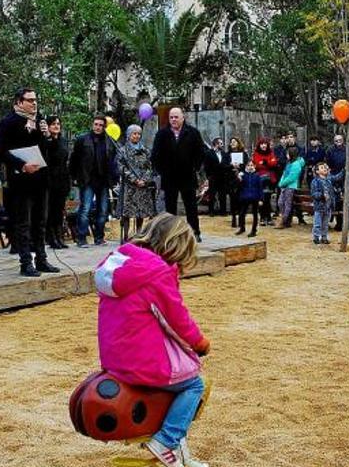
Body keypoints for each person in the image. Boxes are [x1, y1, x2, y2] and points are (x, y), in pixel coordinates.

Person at [94, 213, 211, 467]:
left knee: (174, 395)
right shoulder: (156, 271)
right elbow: (177, 318)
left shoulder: (122, 261)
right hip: (141, 362)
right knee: (193, 386)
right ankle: (166, 441)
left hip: (115, 360)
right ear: (175, 247)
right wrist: (200, 343)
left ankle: (179, 455)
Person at [0, 87, 60, 277]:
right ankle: (26, 262)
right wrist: (22, 165)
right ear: (19, 102)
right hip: (21, 180)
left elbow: (50, 150)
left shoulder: (40, 120)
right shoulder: (8, 122)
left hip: (40, 179)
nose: (34, 103)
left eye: (35, 100)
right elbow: (0, 151)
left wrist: (48, 136)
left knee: (40, 221)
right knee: (24, 222)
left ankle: (41, 259)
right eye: (30, 100)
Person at [151, 108, 207, 242]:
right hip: (169, 176)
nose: (174, 120)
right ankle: (171, 235)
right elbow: (156, 155)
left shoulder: (192, 133)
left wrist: (195, 167)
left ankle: (195, 232)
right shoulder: (162, 134)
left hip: (187, 175)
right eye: (171, 117)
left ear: (183, 118)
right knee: (170, 207)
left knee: (191, 206)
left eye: (176, 117)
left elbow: (200, 152)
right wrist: (161, 170)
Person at [70, 115, 118, 247]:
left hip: (103, 180)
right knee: (85, 208)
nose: (98, 127)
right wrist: (74, 177)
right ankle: (81, 238)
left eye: (101, 125)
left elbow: (113, 162)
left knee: (103, 210)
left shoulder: (110, 142)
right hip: (87, 179)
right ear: (92, 125)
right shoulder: (82, 140)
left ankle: (99, 237)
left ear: (104, 127)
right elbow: (74, 159)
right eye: (96, 124)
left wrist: (114, 179)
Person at [117, 124, 157, 243]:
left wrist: (144, 179)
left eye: (139, 134)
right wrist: (134, 179)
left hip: (142, 186)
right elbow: (121, 167)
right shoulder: (123, 151)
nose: (137, 136)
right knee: (127, 213)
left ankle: (139, 235)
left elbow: (150, 167)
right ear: (129, 135)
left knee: (140, 212)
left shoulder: (145, 150)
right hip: (129, 187)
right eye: (134, 133)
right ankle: (125, 236)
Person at [44, 116, 71, 249]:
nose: (56, 126)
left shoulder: (63, 141)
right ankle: (51, 237)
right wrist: (50, 138)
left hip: (62, 178)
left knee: (59, 211)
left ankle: (60, 237)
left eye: (58, 124)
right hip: (49, 179)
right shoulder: (46, 141)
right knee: (50, 210)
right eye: (53, 124)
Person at [251, 136, 279, 226]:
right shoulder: (256, 153)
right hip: (260, 179)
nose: (264, 146)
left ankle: (268, 217)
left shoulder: (271, 153)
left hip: (269, 179)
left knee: (268, 198)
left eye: (265, 144)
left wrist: (265, 163)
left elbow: (274, 163)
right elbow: (257, 164)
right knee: (261, 199)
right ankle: (262, 217)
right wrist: (267, 163)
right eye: (262, 144)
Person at [275, 147, 304, 229]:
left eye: (287, 153)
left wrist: (283, 183)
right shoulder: (289, 163)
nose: (286, 155)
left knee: (287, 204)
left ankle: (284, 221)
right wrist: (281, 182)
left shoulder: (296, 164)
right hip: (284, 186)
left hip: (291, 186)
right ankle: (282, 217)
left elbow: (292, 177)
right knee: (280, 202)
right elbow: (284, 174)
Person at [235, 160, 265, 237]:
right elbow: (239, 186)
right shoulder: (243, 175)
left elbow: (260, 188)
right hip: (245, 197)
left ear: (254, 166)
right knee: (242, 214)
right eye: (248, 165)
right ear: (246, 167)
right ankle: (242, 228)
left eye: (251, 165)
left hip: (255, 197)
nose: (250, 167)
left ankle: (254, 230)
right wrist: (239, 179)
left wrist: (261, 199)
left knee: (255, 214)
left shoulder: (257, 176)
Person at [203, 137, 230, 216]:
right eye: (221, 143)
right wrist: (209, 176)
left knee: (222, 195)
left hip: (222, 177)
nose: (222, 145)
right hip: (213, 177)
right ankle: (211, 211)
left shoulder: (224, 154)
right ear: (216, 144)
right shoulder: (209, 153)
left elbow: (227, 164)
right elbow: (206, 166)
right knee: (212, 195)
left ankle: (223, 211)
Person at [310, 162, 335, 244]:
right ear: (317, 171)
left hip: (328, 206)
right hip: (319, 206)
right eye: (322, 167)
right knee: (318, 223)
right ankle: (316, 237)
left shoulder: (329, 180)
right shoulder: (315, 181)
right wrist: (322, 195)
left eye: (325, 167)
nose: (324, 168)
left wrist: (344, 170)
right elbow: (314, 194)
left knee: (325, 224)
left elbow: (337, 178)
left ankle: (324, 237)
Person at [226, 137, 248, 228]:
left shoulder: (244, 154)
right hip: (231, 178)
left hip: (241, 178)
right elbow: (224, 165)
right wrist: (231, 165)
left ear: (238, 143)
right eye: (231, 142)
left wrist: (240, 166)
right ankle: (233, 217)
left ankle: (240, 217)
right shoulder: (227, 154)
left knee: (240, 198)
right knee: (232, 198)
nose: (233, 143)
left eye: (234, 142)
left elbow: (246, 165)